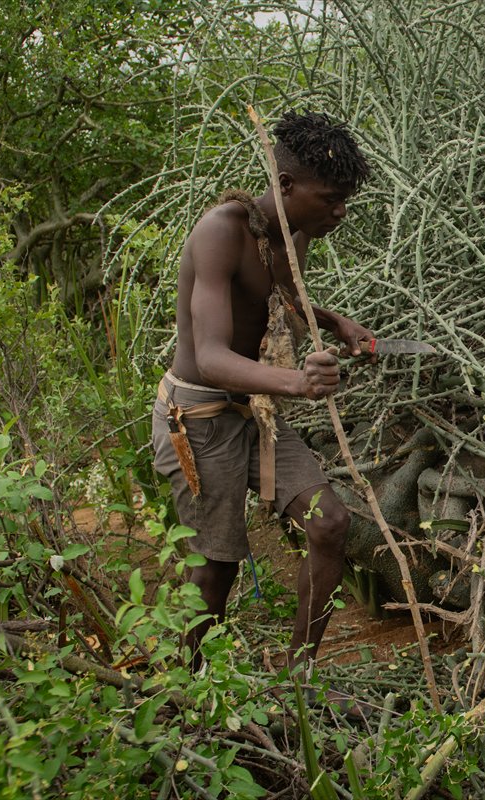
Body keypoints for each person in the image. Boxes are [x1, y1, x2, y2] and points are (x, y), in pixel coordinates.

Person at [150, 111, 371, 688]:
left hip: (253, 410)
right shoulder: (221, 231)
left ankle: (299, 683)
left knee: (330, 524)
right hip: (199, 416)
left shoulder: (293, 237)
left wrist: (335, 321)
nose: (340, 212)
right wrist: (297, 382)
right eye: (331, 199)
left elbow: (279, 295)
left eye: (346, 200)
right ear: (287, 185)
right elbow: (210, 357)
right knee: (215, 567)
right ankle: (194, 695)